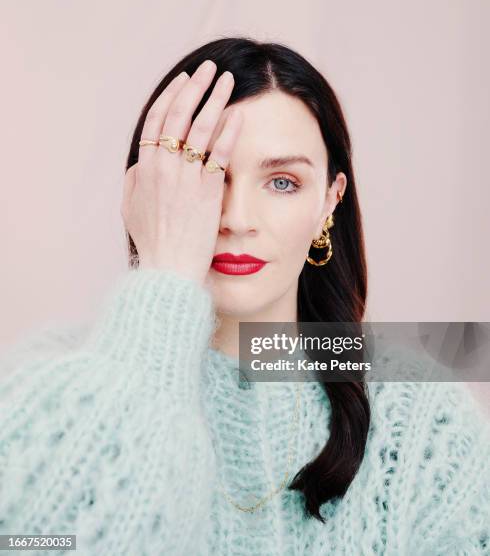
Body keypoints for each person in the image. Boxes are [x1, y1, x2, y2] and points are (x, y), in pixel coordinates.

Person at [0, 37, 488, 556]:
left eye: (281, 182)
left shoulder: (418, 412)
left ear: (330, 201)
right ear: (155, 191)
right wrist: (164, 281)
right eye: (207, 174)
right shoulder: (54, 377)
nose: (235, 219)